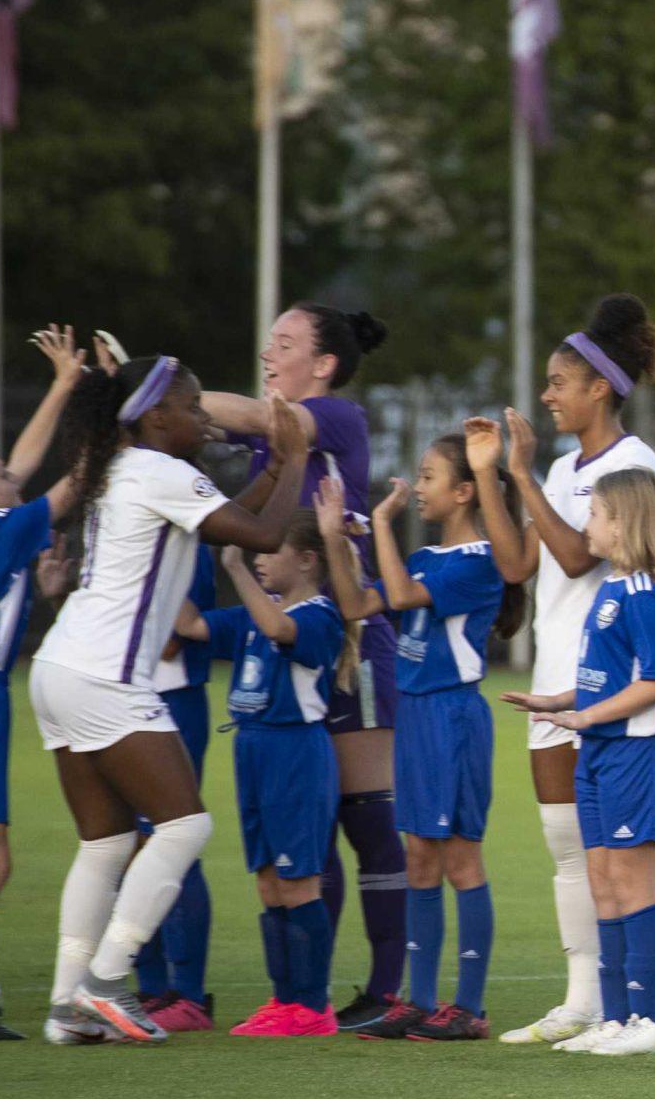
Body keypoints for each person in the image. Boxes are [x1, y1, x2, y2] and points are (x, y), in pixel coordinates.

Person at [34, 355, 307, 1044]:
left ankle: (67, 1003)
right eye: (191, 406)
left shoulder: (124, 468)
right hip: (107, 674)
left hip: (59, 665)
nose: (204, 416)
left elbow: (227, 520)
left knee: (105, 842)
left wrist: (270, 465)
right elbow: (267, 535)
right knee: (184, 827)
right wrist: (296, 456)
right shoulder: (161, 471)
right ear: (156, 416)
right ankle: (105, 980)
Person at [199, 304, 410, 1034]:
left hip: (352, 642)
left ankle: (387, 988)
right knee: (308, 831)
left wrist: (160, 392)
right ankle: (304, 998)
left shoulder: (338, 416)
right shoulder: (275, 419)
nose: (268, 352)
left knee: (370, 820)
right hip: (291, 640)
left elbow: (257, 418)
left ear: (322, 364)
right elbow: (213, 423)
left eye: (284, 344)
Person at [493, 294, 655, 1047]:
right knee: (569, 841)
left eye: (558, 382)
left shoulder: (631, 466)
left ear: (599, 387)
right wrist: (500, 476)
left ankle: (643, 1004)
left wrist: (525, 474)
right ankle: (587, 999)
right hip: (558, 673)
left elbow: (575, 554)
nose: (547, 396)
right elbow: (519, 563)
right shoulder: (566, 465)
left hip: (608, 683)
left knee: (623, 851)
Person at [319, 431, 529, 1041]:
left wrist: (379, 525)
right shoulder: (425, 559)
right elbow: (358, 604)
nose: (416, 488)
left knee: (459, 858)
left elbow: (405, 596)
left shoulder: (479, 560)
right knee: (418, 858)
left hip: (451, 717)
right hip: (415, 716)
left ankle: (469, 1007)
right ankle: (420, 998)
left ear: (465, 491)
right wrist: (335, 539)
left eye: (428, 476)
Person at [503, 470, 655, 1057]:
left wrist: (587, 718)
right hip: (600, 749)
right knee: (603, 882)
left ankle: (651, 1021)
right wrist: (557, 701)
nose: (587, 526)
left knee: (631, 885)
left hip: (635, 751)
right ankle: (616, 1015)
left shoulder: (643, 596)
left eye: (597, 514)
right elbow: (607, 678)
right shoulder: (610, 589)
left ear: (624, 523)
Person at [0, 326, 91, 1041]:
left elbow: (18, 470)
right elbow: (68, 484)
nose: (15, 480)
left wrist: (62, 384)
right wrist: (114, 415)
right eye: (2, 480)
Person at [175, 518, 346, 1036]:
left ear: (308, 560)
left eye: (269, 550)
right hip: (252, 751)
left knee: (298, 882)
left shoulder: (319, 616)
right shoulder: (251, 615)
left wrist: (233, 569)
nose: (258, 561)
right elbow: (190, 626)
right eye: (254, 555)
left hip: (295, 751)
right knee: (269, 882)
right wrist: (168, 556)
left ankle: (313, 1007)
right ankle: (284, 1000)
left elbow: (280, 630)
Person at [129, 550, 219, 1030]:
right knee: (125, 841)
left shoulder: (185, 543)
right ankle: (149, 985)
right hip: (118, 698)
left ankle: (187, 992)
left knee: (171, 839)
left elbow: (169, 641)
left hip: (172, 700)